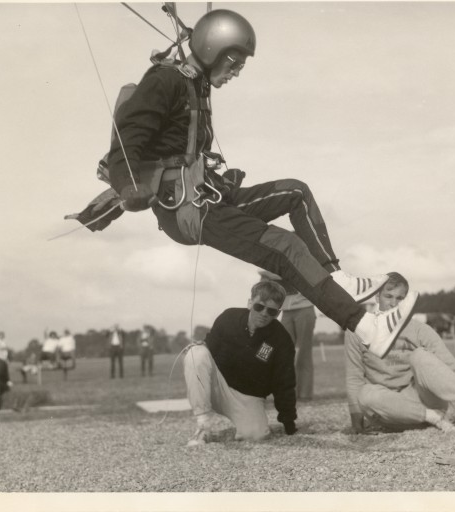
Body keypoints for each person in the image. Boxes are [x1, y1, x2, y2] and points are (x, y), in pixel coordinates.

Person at [69, 8, 418, 359]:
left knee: (295, 192)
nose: (236, 72)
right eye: (233, 63)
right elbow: (128, 134)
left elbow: (182, 142)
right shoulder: (164, 80)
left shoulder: (194, 80)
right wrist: (129, 185)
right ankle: (368, 328)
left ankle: (337, 279)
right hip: (187, 210)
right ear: (210, 51)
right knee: (284, 247)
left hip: (211, 194)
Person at [346, 272, 455, 437]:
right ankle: (434, 418)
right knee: (364, 394)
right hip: (390, 412)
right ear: (377, 296)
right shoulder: (357, 331)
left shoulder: (420, 329)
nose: (393, 303)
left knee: (420, 355)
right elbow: (354, 378)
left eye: (400, 298)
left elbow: (449, 363)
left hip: (423, 399)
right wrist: (357, 424)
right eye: (388, 296)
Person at [183, 280, 296, 445]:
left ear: (277, 313)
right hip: (217, 386)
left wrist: (289, 423)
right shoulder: (229, 317)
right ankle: (203, 426)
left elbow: (284, 383)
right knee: (196, 353)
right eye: (259, 307)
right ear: (250, 303)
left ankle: (248, 425)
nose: (264, 313)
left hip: (248, 397)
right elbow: (209, 349)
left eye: (271, 311)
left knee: (255, 435)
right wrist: (199, 349)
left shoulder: (281, 339)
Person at [259, 270, 316, 400]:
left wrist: (269, 274)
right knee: (286, 354)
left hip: (305, 308)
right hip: (286, 311)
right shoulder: (273, 267)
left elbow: (291, 273)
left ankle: (305, 394)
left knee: (304, 353)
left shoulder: (296, 258)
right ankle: (290, 392)